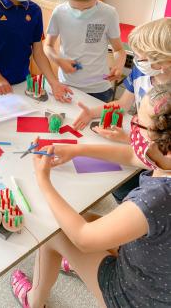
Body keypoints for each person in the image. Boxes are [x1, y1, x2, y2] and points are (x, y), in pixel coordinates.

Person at [11, 83, 171, 308]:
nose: (132, 125)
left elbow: (84, 239)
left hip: (137, 298)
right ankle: (76, 263)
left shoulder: (155, 199)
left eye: (138, 122)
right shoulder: (164, 158)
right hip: (159, 268)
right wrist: (78, 149)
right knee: (88, 217)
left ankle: (33, 301)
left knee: (54, 232)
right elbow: (133, 156)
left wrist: (43, 180)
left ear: (162, 142)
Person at [73, 18, 171, 202]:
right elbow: (122, 104)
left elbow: (164, 149)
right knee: (117, 187)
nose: (136, 61)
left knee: (130, 190)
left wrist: (130, 139)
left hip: (160, 160)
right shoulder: (142, 71)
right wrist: (91, 112)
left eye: (140, 57)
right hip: (142, 144)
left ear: (162, 61)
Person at [44, 0, 126, 103]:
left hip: (99, 88)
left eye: (87, 8)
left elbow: (119, 50)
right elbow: (48, 46)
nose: (81, 12)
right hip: (67, 83)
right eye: (74, 7)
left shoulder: (109, 14)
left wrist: (118, 65)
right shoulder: (59, 12)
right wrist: (59, 60)